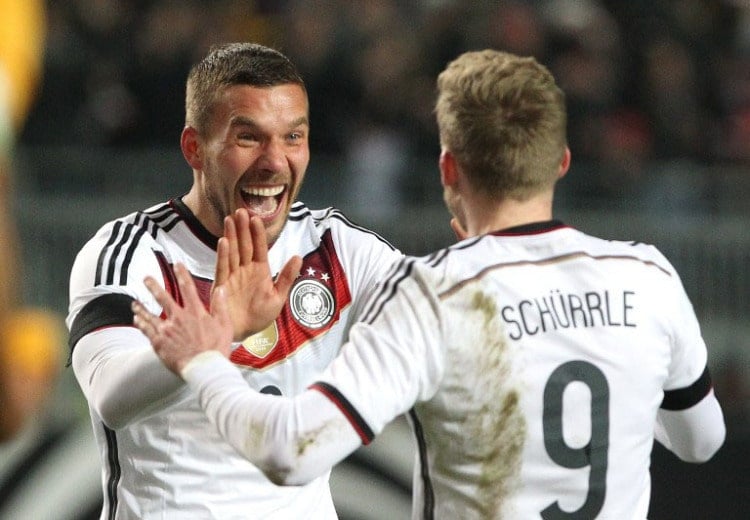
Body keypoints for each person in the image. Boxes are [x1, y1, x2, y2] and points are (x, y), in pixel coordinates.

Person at [132, 49, 726, 519]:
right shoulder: (648, 278)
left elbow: (289, 451)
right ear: (562, 161)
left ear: (448, 167)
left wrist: (205, 360)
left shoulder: (433, 297)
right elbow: (702, 441)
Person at [66, 42, 402, 519]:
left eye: (293, 137)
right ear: (194, 148)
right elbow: (109, 396)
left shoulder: (336, 250)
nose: (274, 161)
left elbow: (443, 321)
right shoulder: (131, 253)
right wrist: (214, 333)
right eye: (249, 138)